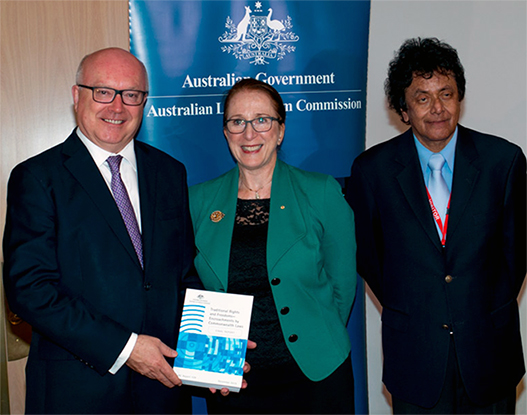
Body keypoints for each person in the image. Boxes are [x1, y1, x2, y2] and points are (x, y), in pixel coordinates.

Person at [2, 47, 198, 414]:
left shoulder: (170, 173)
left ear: (145, 102)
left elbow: (183, 275)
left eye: (132, 95)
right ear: (78, 96)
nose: (117, 106)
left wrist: (213, 354)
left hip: (163, 391)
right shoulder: (37, 178)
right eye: (104, 91)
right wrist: (127, 348)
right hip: (77, 393)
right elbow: (30, 290)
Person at [347, 37, 526, 414]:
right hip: (416, 357)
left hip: (489, 352)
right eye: (422, 97)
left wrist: (477, 305)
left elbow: (516, 254)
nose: (438, 108)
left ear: (460, 98)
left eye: (446, 93)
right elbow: (371, 259)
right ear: (403, 108)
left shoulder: (503, 162)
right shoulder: (372, 172)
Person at [189, 78, 357, 414]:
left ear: (280, 131)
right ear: (225, 133)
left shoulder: (321, 192)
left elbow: (342, 288)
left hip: (316, 374)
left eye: (262, 120)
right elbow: (192, 289)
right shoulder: (197, 201)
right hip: (233, 381)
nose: (249, 134)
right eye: (237, 122)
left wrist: (315, 334)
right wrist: (211, 359)